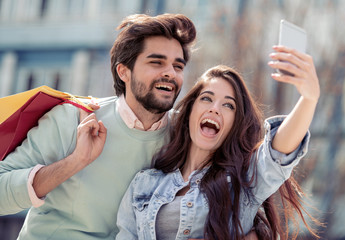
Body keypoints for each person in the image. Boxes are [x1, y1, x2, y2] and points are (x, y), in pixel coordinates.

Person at [0, 13, 197, 239]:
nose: (170, 73)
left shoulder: (187, 137)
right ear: (124, 71)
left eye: (178, 66)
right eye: (156, 62)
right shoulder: (72, 118)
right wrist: (75, 162)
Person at [116, 46, 322, 240]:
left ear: (234, 124)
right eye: (206, 99)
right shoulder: (144, 183)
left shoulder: (243, 182)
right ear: (190, 111)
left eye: (228, 105)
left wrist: (309, 98)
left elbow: (278, 152)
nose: (215, 108)